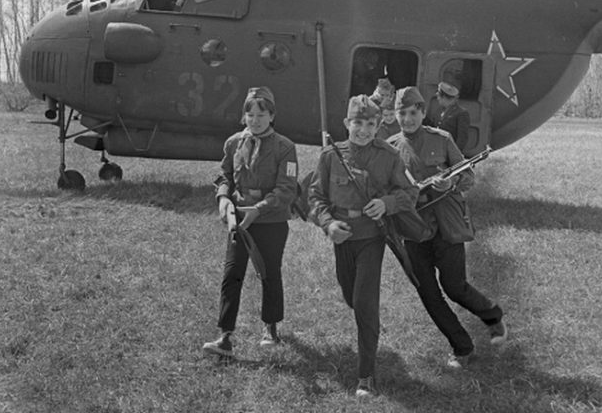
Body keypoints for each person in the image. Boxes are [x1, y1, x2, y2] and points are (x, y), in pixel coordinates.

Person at [388, 86, 507, 369]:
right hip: (413, 230)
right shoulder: (390, 147)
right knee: (428, 293)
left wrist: (449, 183)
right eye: (401, 113)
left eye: (413, 112)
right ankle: (462, 348)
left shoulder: (441, 139)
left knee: (454, 286)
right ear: (395, 115)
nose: (407, 119)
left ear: (423, 112)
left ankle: (492, 315)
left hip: (445, 226)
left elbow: (467, 176)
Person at [308, 95, 419, 397]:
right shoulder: (331, 156)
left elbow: (410, 191)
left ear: (380, 125)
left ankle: (365, 375)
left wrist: (387, 203)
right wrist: (329, 224)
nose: (365, 130)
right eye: (359, 123)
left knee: (365, 304)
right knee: (351, 297)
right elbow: (315, 196)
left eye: (371, 124)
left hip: (372, 238)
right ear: (347, 123)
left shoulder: (389, 155)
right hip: (342, 238)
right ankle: (366, 327)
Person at [203, 86, 298, 358]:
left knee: (269, 272)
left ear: (272, 116)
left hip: (270, 220)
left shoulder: (285, 147)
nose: (255, 120)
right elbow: (225, 175)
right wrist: (223, 198)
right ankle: (225, 336)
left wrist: (259, 208)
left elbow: (287, 188)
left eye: (261, 114)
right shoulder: (234, 143)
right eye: (250, 114)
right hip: (239, 219)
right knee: (232, 273)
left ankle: (270, 326)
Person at [427, 82, 471, 152]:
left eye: (438, 96)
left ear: (444, 97)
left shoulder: (461, 113)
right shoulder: (439, 111)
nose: (437, 99)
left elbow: (462, 138)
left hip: (449, 152)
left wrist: (454, 154)